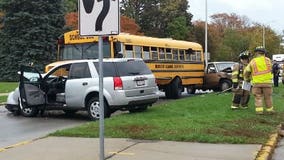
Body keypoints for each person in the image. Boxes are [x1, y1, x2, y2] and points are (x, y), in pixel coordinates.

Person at [244, 46, 274, 115]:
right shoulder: (268, 60)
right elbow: (271, 70)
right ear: (264, 53)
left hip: (256, 83)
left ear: (257, 53)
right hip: (267, 83)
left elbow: (247, 71)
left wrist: (247, 79)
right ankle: (270, 110)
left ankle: (259, 111)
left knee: (258, 97)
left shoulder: (253, 61)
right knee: (268, 97)